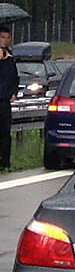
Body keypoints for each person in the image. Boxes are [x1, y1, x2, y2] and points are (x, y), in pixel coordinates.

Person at [0, 25, 18, 172]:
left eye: (7, 38)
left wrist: (14, 92)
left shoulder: (10, 57)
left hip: (5, 100)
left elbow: (14, 77)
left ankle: (5, 162)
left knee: (5, 132)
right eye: (2, 37)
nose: (5, 40)